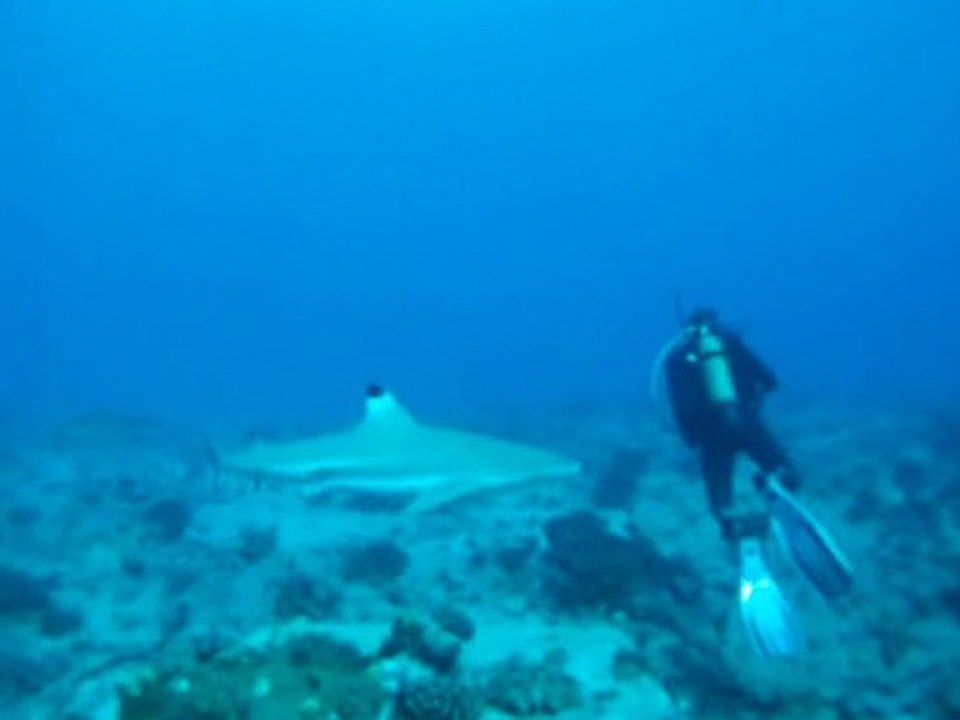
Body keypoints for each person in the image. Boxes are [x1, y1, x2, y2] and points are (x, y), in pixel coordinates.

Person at [662, 307, 799, 542]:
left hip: (711, 435)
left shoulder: (676, 359)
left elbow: (682, 407)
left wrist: (691, 439)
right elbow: (770, 381)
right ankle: (770, 484)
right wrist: (751, 406)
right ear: (716, 323)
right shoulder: (732, 344)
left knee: (719, 497)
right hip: (747, 424)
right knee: (787, 472)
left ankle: (730, 526)